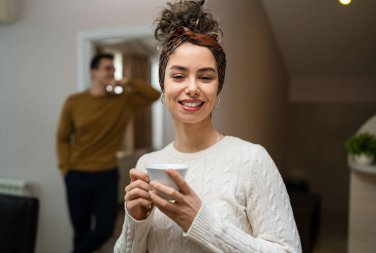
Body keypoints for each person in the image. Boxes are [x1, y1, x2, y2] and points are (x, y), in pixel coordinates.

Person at [114, 0, 302, 252]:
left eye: (205, 77)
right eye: (179, 76)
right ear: (163, 85)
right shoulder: (147, 165)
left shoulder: (252, 160)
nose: (192, 88)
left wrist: (200, 222)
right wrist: (135, 220)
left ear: (218, 88)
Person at [56, 53, 160, 253]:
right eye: (106, 68)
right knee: (80, 232)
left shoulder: (123, 101)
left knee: (104, 230)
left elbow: (154, 94)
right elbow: (62, 138)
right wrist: (65, 170)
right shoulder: (74, 102)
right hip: (77, 176)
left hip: (106, 176)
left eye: (113, 68)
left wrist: (127, 81)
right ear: (93, 72)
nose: (111, 72)